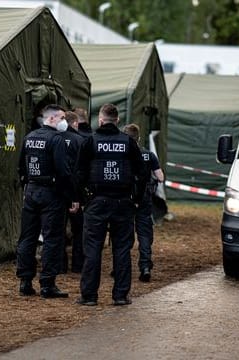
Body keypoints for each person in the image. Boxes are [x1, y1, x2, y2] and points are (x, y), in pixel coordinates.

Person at [75, 104, 147, 306]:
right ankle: (121, 295)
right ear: (117, 121)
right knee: (122, 250)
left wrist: (84, 199)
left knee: (92, 250)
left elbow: (79, 174)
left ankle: (89, 296)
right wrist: (136, 199)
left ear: (100, 120)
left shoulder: (90, 141)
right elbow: (143, 174)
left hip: (97, 202)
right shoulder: (128, 142)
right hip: (123, 202)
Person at [16, 104, 79, 298]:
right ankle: (47, 284)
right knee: (52, 238)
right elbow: (64, 171)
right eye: (61, 118)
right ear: (51, 119)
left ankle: (25, 282)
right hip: (52, 193)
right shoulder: (57, 139)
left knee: (27, 237)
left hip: (31, 191)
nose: (63, 122)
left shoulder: (29, 137)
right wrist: (72, 197)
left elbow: (21, 167)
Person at [122, 124, 164, 282]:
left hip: (125, 197)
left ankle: (119, 267)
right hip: (144, 198)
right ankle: (145, 266)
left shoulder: (122, 154)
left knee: (123, 233)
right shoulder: (148, 155)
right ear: (138, 138)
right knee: (144, 233)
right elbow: (160, 177)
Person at [60, 111, 85, 273]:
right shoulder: (80, 140)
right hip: (76, 191)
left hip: (58, 191)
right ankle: (78, 264)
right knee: (79, 230)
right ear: (75, 123)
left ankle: (60, 265)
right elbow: (82, 169)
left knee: (58, 229)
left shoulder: (55, 137)